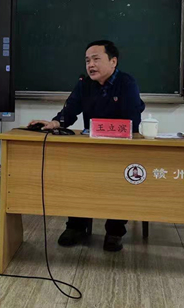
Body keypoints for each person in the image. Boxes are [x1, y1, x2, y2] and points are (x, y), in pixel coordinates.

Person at [29, 40, 145, 252]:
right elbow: (70, 111)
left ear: (113, 61)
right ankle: (76, 227)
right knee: (77, 178)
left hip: (120, 150)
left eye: (96, 59)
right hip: (90, 148)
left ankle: (115, 231)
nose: (90, 65)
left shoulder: (127, 83)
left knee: (118, 183)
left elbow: (132, 122)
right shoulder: (84, 83)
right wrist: (54, 123)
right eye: (87, 61)